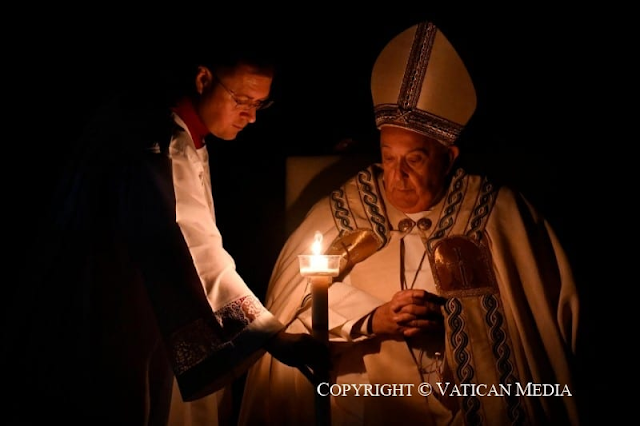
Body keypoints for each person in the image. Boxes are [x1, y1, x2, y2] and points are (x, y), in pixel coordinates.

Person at [239, 20, 582, 425]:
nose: (396, 176)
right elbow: (291, 320)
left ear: (449, 157)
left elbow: (541, 333)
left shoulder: (499, 216)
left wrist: (453, 322)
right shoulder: (339, 213)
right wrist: (370, 319)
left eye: (414, 160)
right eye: (388, 156)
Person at [4, 29, 327, 425]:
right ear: (203, 79)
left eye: (261, 104)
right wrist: (272, 337)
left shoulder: (174, 134)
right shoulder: (159, 144)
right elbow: (193, 253)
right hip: (130, 329)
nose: (252, 115)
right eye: (242, 100)